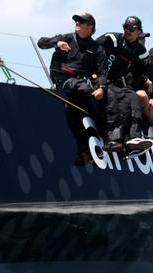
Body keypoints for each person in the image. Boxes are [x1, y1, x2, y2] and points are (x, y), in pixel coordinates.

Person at [37, 12, 107, 165]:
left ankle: (86, 152)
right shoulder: (67, 38)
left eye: (81, 21)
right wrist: (57, 44)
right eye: (76, 20)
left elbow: (102, 72)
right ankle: (104, 134)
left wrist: (101, 88)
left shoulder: (97, 49)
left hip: (83, 83)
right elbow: (41, 43)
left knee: (77, 107)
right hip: (63, 80)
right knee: (82, 89)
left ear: (90, 27)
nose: (77, 23)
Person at [96, 16, 153, 153]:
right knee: (118, 99)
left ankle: (133, 138)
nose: (127, 30)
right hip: (97, 79)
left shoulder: (140, 51)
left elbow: (149, 74)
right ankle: (114, 140)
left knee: (133, 98)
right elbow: (90, 50)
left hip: (114, 83)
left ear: (139, 31)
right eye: (125, 27)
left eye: (131, 28)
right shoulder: (111, 39)